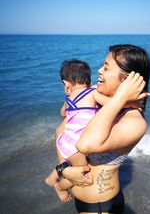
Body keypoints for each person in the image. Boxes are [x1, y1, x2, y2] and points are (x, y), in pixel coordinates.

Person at [57, 44, 150, 214]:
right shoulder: (98, 98)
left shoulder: (134, 121)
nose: (99, 70)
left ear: (127, 80)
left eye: (106, 67)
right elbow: (61, 132)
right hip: (81, 200)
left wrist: (121, 97)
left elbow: (85, 145)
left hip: (100, 207)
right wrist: (64, 169)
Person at [45, 59, 111, 202]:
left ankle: (53, 177)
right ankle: (61, 187)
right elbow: (111, 105)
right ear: (90, 79)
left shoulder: (68, 99)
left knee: (70, 163)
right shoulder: (93, 93)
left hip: (65, 140)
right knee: (83, 173)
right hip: (76, 145)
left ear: (66, 84)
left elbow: (63, 113)